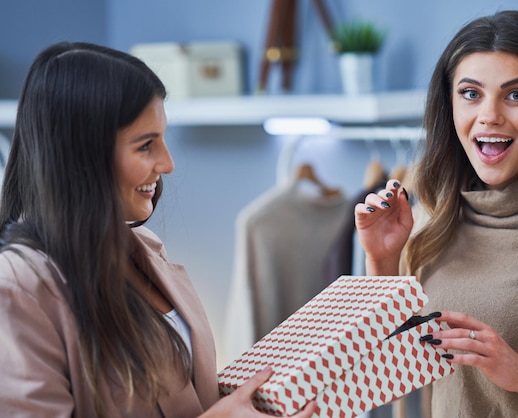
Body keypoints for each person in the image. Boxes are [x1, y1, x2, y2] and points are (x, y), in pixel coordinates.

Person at [0, 41, 315, 418]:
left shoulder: (146, 252)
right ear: (83, 155)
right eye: (146, 146)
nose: (167, 163)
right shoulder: (18, 289)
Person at [355, 10, 518, 417]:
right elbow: (388, 374)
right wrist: (382, 260)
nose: (489, 115)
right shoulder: (429, 220)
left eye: (517, 94)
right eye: (470, 93)